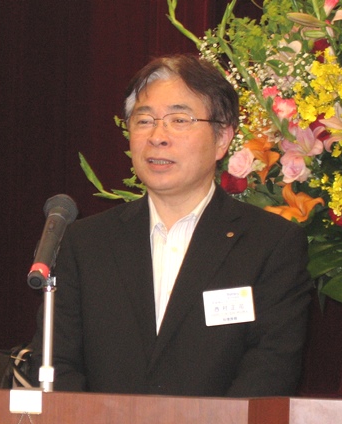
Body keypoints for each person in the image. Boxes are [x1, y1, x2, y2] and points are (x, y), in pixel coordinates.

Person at [30, 54, 313, 397]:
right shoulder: (87, 243)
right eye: (144, 120)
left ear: (222, 138)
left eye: (179, 120)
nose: (158, 137)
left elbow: (271, 368)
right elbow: (56, 363)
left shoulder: (270, 244)